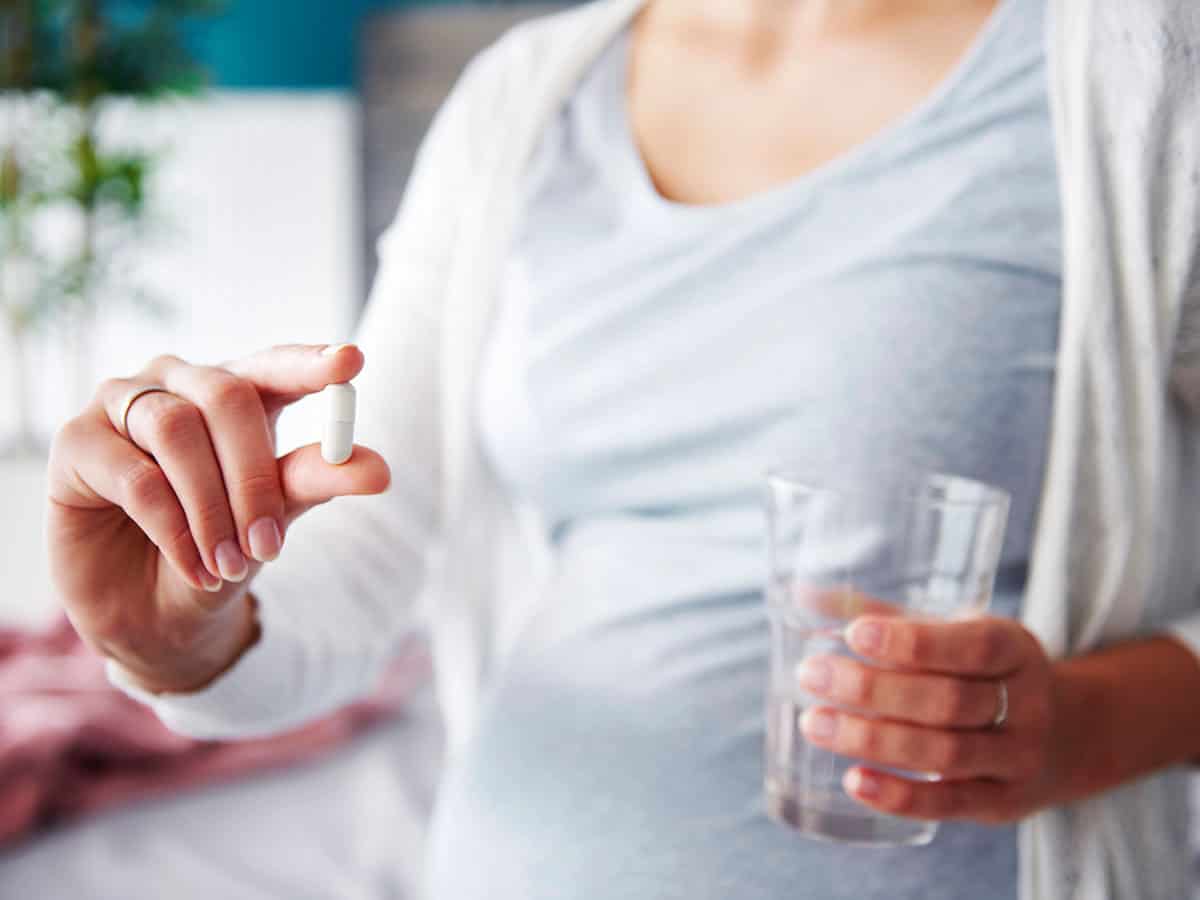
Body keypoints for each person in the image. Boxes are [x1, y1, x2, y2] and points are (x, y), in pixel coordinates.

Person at [45, 0, 1200, 897]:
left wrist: (1089, 723)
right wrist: (175, 628)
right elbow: (358, 571)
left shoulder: (1139, 69)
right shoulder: (521, 102)